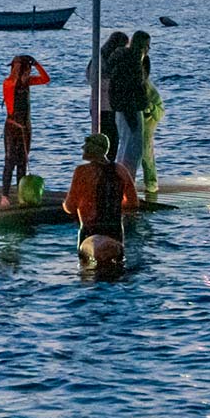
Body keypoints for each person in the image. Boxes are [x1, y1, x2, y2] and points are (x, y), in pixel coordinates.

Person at [63, 132, 139, 271]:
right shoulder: (121, 170)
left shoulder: (82, 172)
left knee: (88, 273)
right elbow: (133, 203)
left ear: (91, 149)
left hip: (90, 231)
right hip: (115, 231)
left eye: (85, 146)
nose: (82, 147)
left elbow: (70, 206)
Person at [1, 54, 50, 202]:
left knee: (22, 162)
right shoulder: (8, 83)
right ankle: (4, 195)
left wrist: (36, 64)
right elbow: (13, 81)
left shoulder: (28, 83)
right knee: (10, 161)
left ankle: (20, 194)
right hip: (12, 128)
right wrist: (19, 67)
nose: (28, 73)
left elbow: (45, 79)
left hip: (26, 128)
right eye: (26, 70)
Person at [107, 31, 152, 179]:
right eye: (146, 46)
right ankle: (127, 181)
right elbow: (131, 88)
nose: (148, 49)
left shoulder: (121, 60)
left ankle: (123, 180)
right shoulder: (132, 63)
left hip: (121, 107)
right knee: (133, 148)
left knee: (126, 145)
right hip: (130, 108)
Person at [88, 31, 129, 159]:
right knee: (111, 139)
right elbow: (96, 80)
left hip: (99, 104)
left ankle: (107, 166)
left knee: (107, 138)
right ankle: (108, 168)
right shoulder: (104, 60)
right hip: (107, 104)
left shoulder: (97, 57)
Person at [141, 78, 163, 197]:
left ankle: (151, 184)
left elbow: (160, 112)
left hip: (146, 123)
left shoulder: (148, 87)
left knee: (146, 154)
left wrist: (150, 108)